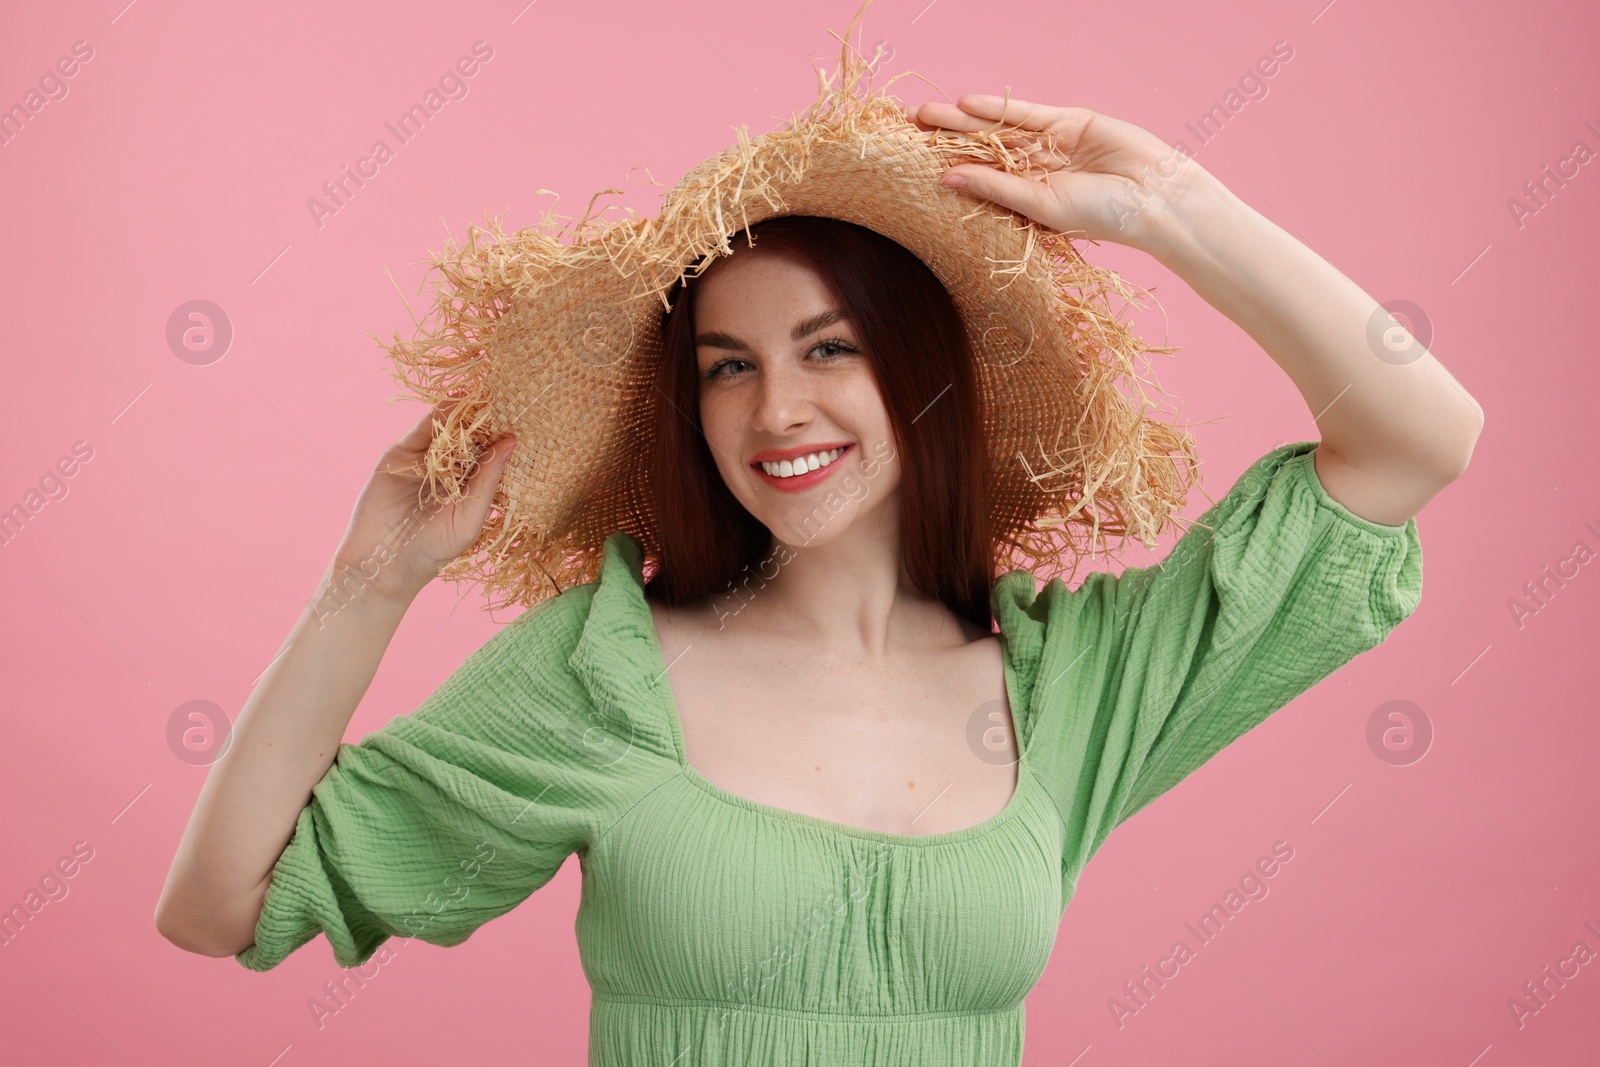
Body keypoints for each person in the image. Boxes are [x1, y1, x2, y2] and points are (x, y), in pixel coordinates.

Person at [154, 78, 1481, 1067]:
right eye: (729, 366)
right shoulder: (603, 676)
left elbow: (1420, 440)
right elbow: (225, 905)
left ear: (920, 377)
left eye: (829, 350)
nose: (776, 408)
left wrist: (1173, 206)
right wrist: (366, 584)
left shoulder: (1075, 687)